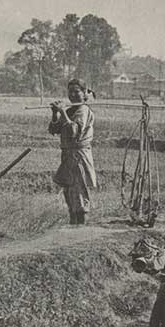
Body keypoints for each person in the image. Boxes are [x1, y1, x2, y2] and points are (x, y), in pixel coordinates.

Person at [48, 79, 96, 225]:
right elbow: (54, 130)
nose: (73, 95)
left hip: (79, 156)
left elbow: (73, 131)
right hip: (68, 155)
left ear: (84, 93)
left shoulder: (83, 110)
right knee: (68, 191)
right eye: (70, 92)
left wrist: (62, 112)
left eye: (77, 91)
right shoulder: (71, 110)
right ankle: (73, 223)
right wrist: (55, 113)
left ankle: (81, 226)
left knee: (79, 191)